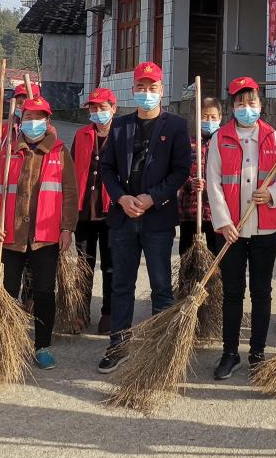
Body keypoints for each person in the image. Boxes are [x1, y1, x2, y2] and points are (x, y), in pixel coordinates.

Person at [97, 61, 192, 373]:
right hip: (123, 218)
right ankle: (118, 345)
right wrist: (121, 198)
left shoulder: (175, 126)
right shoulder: (120, 126)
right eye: (141, 87)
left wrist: (153, 197)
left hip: (157, 219)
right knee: (121, 284)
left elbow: (180, 170)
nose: (146, 92)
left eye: (152, 87)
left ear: (162, 90)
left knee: (161, 285)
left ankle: (160, 349)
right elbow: (106, 168)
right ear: (133, 89)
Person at [205, 78, 276, 379]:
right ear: (232, 106)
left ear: (261, 104)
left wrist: (271, 194)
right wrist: (223, 222)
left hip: (265, 230)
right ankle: (230, 353)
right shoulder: (220, 138)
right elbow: (213, 183)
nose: (246, 108)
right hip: (231, 231)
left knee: (261, 291)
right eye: (240, 103)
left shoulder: (272, 136)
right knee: (232, 292)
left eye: (252, 102)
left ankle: (257, 352)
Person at [0, 94, 78, 369]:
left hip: (45, 238)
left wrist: (67, 228)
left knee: (44, 292)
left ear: (48, 121)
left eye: (39, 117)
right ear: (21, 120)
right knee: (7, 291)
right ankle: (6, 342)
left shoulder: (60, 152)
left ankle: (42, 346)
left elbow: (70, 194)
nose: (33, 122)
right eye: (28, 117)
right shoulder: (9, 152)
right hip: (11, 236)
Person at [72, 87, 117, 334]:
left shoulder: (122, 134)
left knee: (110, 265)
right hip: (84, 212)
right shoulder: (82, 134)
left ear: (113, 108)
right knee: (83, 265)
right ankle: (80, 312)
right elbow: (72, 171)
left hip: (111, 212)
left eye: (102, 107)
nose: (98, 112)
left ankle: (109, 312)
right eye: (93, 107)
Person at [179, 96, 223, 255]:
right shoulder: (187, 144)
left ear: (220, 118)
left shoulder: (224, 144)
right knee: (187, 257)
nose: (209, 121)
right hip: (190, 213)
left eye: (213, 117)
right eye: (205, 117)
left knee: (215, 256)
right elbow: (178, 173)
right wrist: (190, 184)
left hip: (216, 213)